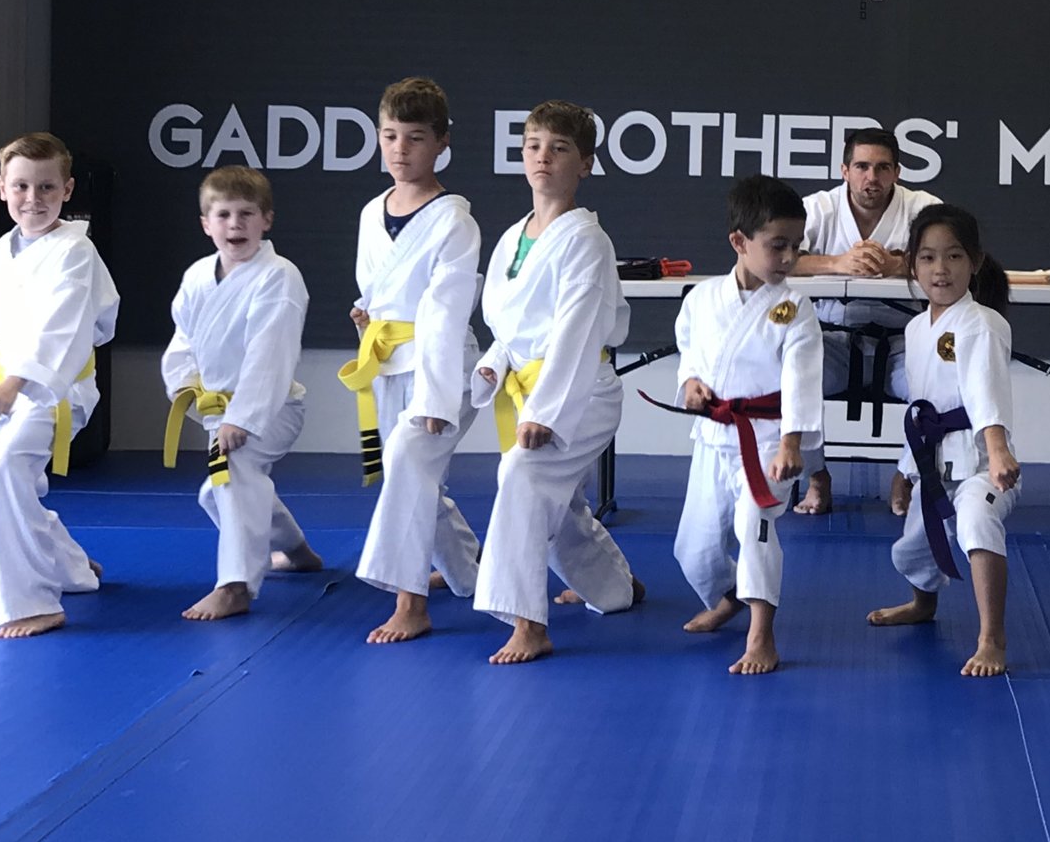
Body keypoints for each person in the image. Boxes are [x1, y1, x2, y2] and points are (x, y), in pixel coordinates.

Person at [471, 99, 644, 665]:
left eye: (559, 148)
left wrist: (544, 411)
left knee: (521, 475)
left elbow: (574, 331)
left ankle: (528, 622)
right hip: (532, 387)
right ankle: (616, 589)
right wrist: (496, 363)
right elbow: (511, 325)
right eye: (533, 146)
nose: (543, 158)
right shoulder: (510, 238)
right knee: (559, 501)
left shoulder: (587, 241)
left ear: (586, 163)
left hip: (582, 392)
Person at [666, 175, 823, 675]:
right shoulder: (701, 298)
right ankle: (731, 594)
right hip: (713, 437)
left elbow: (801, 380)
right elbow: (689, 353)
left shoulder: (796, 308)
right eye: (777, 246)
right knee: (692, 550)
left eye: (796, 247)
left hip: (769, 440)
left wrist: (793, 443)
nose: (788, 258)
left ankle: (762, 636)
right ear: (740, 242)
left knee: (753, 526)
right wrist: (690, 383)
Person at [346, 77, 485, 644]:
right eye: (390, 136)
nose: (401, 150)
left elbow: (446, 313)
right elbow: (378, 286)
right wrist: (366, 313)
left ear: (442, 143)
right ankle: (470, 574)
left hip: (444, 368)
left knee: (407, 463)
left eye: (416, 138)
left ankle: (410, 600)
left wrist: (435, 400)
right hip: (387, 361)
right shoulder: (370, 211)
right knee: (412, 476)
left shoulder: (455, 220)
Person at [0, 132, 118, 639]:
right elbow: (6, 325)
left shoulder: (76, 252)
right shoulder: (2, 251)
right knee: (3, 487)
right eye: (22, 187)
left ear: (68, 190)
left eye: (47, 187)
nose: (33, 199)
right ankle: (70, 568)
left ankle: (33, 602)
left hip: (56, 390)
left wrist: (17, 379)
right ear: (3, 191)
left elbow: (65, 330)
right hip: (12, 382)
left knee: (10, 468)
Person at [161, 165, 323, 622]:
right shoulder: (197, 276)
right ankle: (294, 548)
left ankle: (235, 585)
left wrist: (243, 419)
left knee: (232, 470)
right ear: (206, 224)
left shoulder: (279, 277)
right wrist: (186, 387)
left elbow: (270, 355)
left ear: (266, 220)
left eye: (247, 214)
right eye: (224, 215)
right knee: (216, 493)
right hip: (219, 406)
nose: (236, 225)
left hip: (273, 406)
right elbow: (183, 343)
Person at [866, 205, 1023, 676]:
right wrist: (904, 469)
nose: (941, 269)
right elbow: (919, 410)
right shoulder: (916, 330)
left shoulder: (984, 324)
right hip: (933, 465)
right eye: (929, 258)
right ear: (912, 265)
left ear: (974, 262)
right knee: (911, 551)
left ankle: (991, 637)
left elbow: (985, 391)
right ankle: (922, 603)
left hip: (980, 464)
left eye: (954, 257)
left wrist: (997, 451)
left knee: (975, 521)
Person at [795, 126, 939, 515]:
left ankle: (905, 475)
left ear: (897, 172)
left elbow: (951, 260)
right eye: (861, 166)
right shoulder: (819, 209)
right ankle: (816, 477)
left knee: (940, 386)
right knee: (792, 379)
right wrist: (835, 263)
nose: (871, 178)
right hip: (834, 341)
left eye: (881, 168)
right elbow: (777, 256)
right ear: (844, 170)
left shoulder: (924, 209)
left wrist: (900, 264)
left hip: (903, 342)